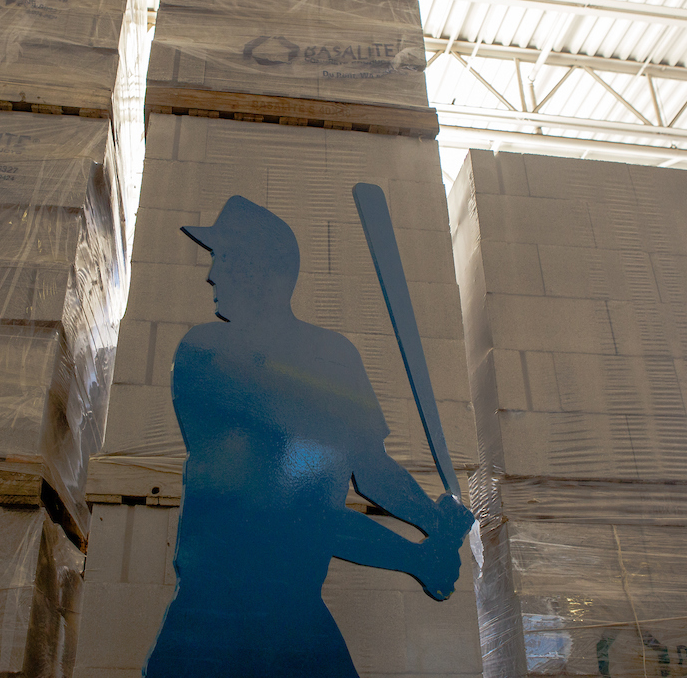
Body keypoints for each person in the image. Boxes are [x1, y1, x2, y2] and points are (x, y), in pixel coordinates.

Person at [144, 195, 475, 678]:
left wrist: (435, 519)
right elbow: (289, 514)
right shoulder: (206, 355)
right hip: (212, 622)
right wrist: (416, 558)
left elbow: (373, 469)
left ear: (265, 273)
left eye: (226, 260)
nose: (212, 275)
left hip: (293, 618)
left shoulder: (333, 356)